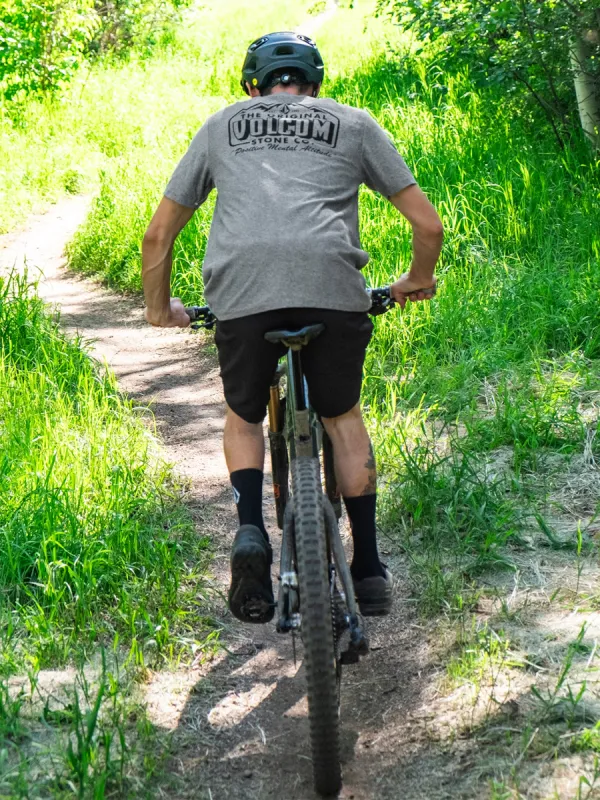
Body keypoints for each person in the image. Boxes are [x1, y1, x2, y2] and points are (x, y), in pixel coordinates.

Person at [142, 31, 443, 625]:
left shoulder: (221, 126)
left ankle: (250, 529)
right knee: (343, 417)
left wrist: (159, 309)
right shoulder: (353, 123)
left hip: (243, 297)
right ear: (317, 83)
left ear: (251, 86)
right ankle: (369, 569)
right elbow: (428, 226)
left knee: (243, 415)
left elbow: (158, 236)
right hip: (333, 294)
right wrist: (416, 279)